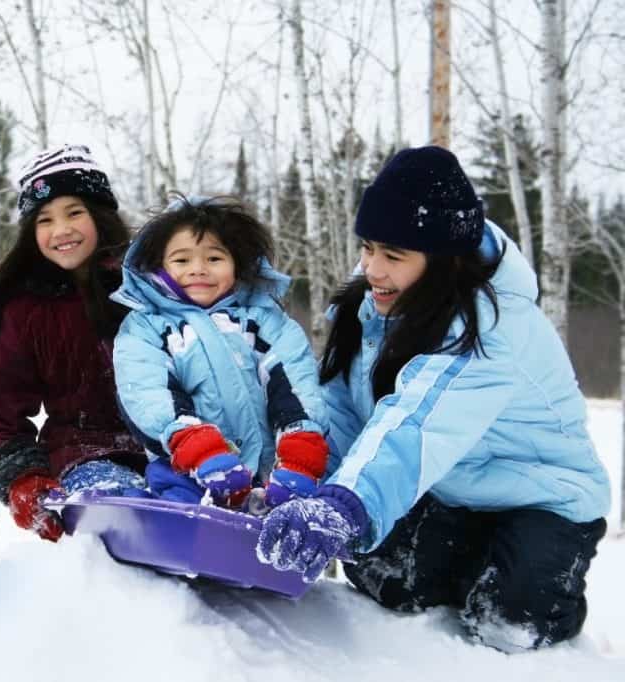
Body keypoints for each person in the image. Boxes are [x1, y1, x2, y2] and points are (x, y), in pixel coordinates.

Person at [255, 146, 611, 652]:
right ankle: (468, 562)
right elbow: (340, 413)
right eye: (368, 247)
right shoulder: (370, 309)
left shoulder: (493, 327)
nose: (372, 268)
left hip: (542, 499)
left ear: (446, 262)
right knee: (385, 578)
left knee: (509, 624)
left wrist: (345, 505)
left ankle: (536, 576)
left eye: (393, 256)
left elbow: (415, 423)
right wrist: (296, 484)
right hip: (452, 492)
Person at [0, 144, 147, 542]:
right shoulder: (26, 310)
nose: (61, 229)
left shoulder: (147, 290)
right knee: (120, 513)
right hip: (83, 455)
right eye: (45, 220)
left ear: (100, 216)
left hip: (172, 451)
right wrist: (23, 478)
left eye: (74, 213)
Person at [111, 195, 328, 510]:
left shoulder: (264, 320)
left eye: (214, 259)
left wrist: (300, 442)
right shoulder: (147, 327)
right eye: (182, 260)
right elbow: (146, 389)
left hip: (270, 468)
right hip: (189, 464)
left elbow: (295, 379)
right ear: (159, 266)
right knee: (173, 490)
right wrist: (195, 444)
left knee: (304, 499)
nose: (198, 270)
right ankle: (170, 532)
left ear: (237, 263)